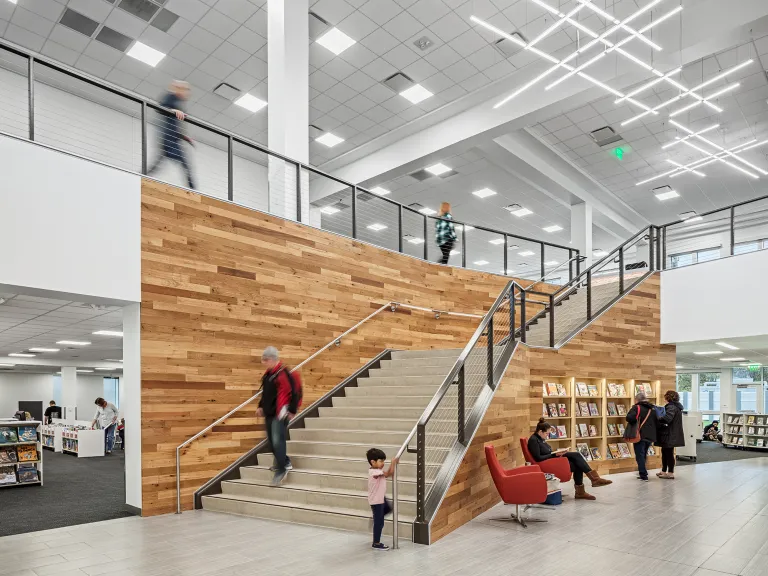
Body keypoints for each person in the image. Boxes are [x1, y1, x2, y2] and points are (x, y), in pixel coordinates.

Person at [528, 418, 611, 500]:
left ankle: (586, 487)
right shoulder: (534, 440)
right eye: (546, 433)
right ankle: (590, 483)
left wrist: (556, 453)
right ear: (540, 432)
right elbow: (538, 458)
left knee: (577, 461)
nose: (547, 436)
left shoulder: (540, 438)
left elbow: (546, 452)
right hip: (547, 464)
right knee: (577, 457)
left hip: (551, 460)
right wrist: (554, 455)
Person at [256, 346, 302, 486]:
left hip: (280, 414)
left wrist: (292, 410)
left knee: (277, 441)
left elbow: (293, 392)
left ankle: (281, 469)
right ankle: (285, 461)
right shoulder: (269, 374)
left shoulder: (283, 374)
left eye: (265, 360)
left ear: (271, 359)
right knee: (271, 442)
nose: (264, 362)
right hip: (270, 413)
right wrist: (260, 406)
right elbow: (266, 393)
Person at [147, 80, 195, 189]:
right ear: (180, 89)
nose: (187, 93)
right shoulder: (171, 96)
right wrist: (173, 110)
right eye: (185, 90)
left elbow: (174, 125)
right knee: (185, 165)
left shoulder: (179, 101)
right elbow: (160, 108)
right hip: (168, 139)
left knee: (159, 164)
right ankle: (194, 191)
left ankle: (142, 176)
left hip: (173, 138)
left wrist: (185, 137)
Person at [367, 447, 398, 551]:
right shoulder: (374, 472)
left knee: (388, 509)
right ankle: (376, 543)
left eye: (383, 461)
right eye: (381, 461)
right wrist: (393, 463)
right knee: (380, 523)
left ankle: (376, 518)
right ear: (373, 462)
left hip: (380, 498)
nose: (383, 463)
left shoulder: (377, 470)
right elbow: (389, 473)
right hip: (376, 501)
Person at [626, 391, 657, 481]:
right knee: (644, 454)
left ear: (637, 400)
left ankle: (643, 475)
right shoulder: (652, 408)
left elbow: (629, 418)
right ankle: (643, 472)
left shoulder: (636, 407)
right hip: (650, 435)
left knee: (639, 454)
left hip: (640, 434)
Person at [655, 390, 684, 479]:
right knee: (665, 452)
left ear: (668, 397)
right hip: (671, 433)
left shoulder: (671, 407)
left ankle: (670, 473)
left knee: (669, 453)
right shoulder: (676, 407)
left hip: (669, 434)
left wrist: (658, 417)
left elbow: (667, 418)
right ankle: (664, 471)